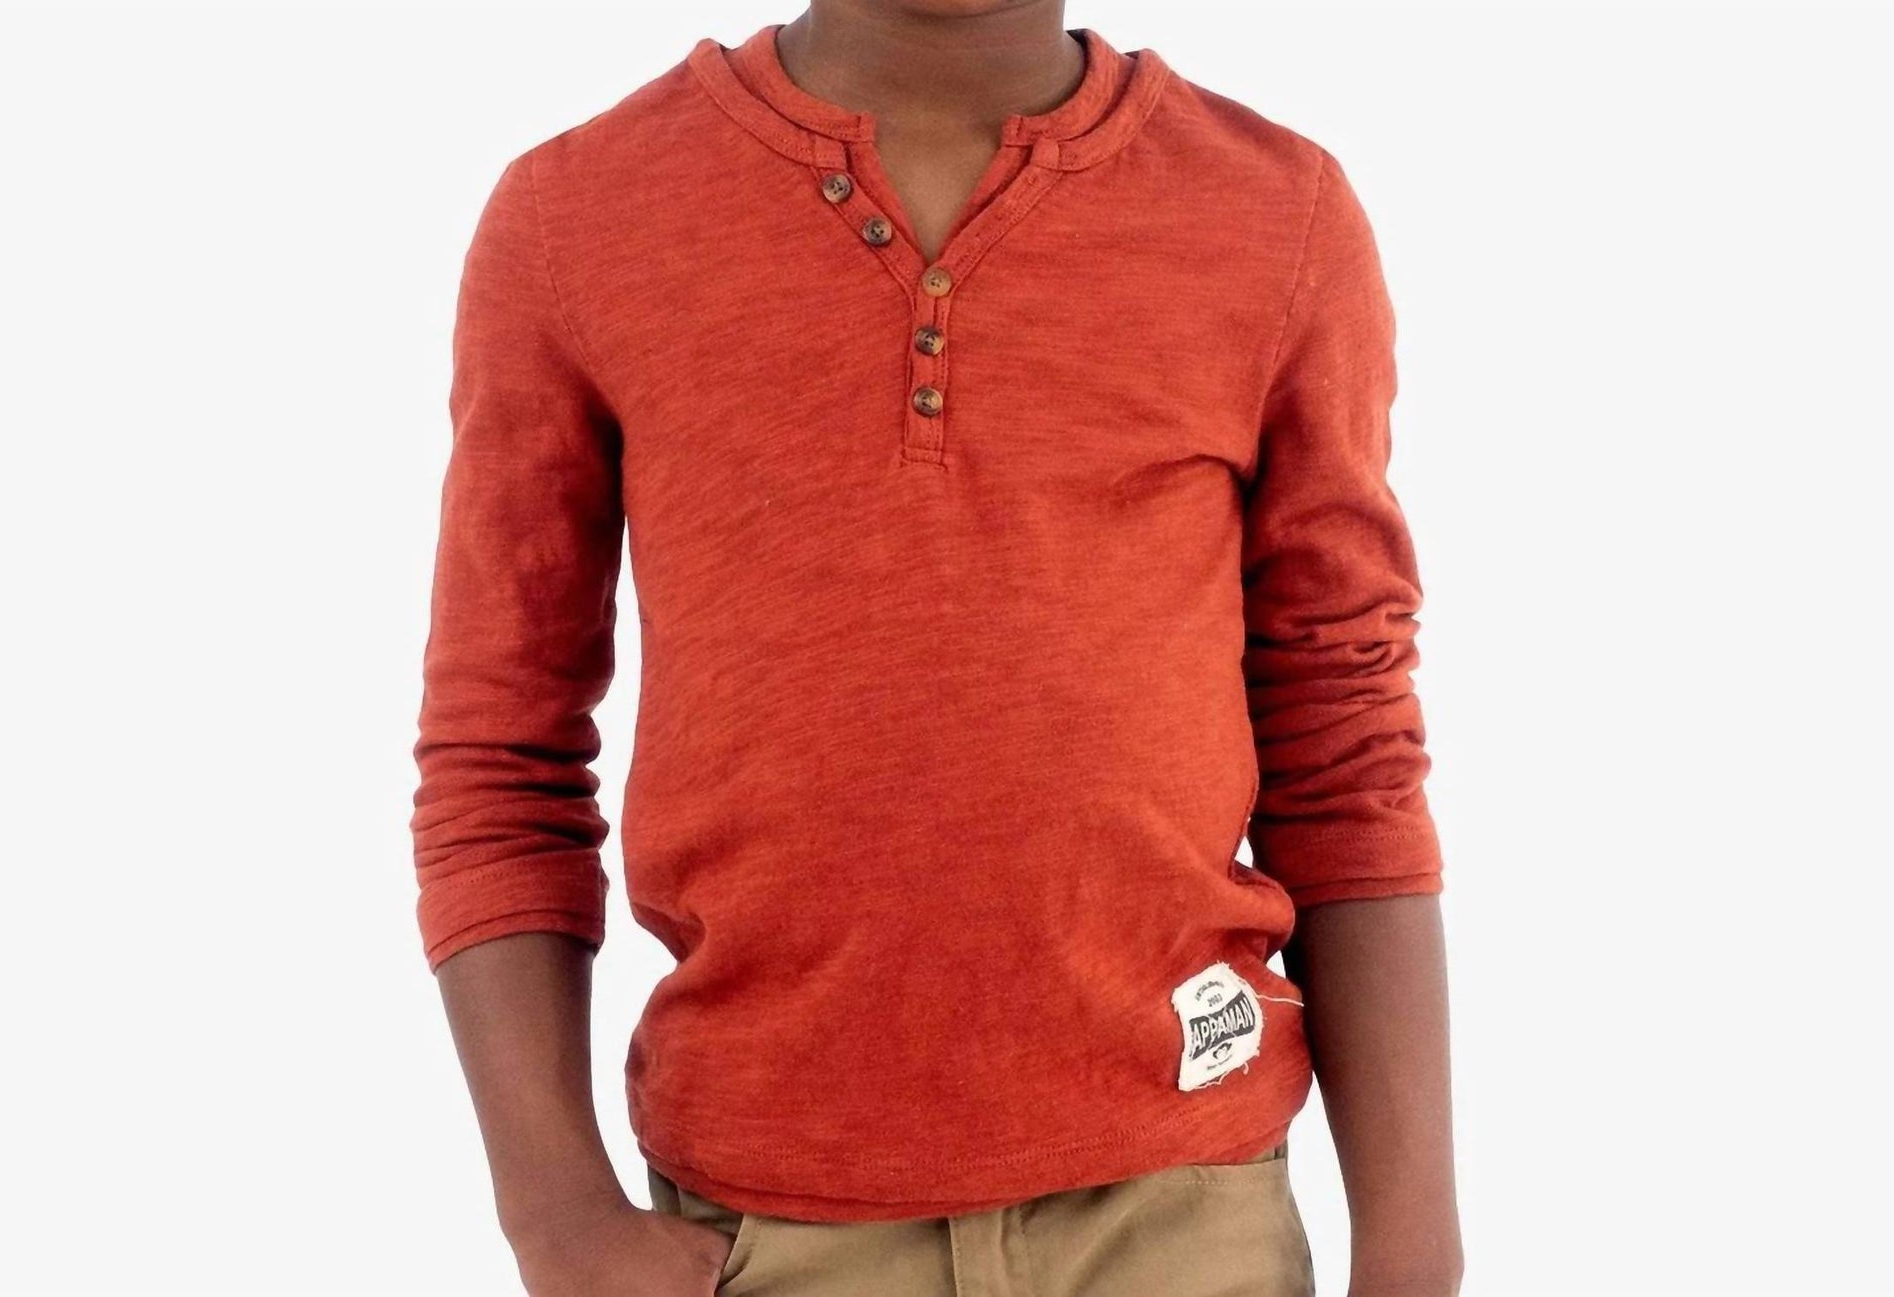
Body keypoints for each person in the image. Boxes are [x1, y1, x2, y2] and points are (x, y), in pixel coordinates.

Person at [409, 2, 1461, 1293]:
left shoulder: (1274, 212)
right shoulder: (578, 215)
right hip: (759, 1232)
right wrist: (556, 1213)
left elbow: (1342, 736)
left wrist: (1413, 1250)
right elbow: (499, 747)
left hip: (1187, 1219)